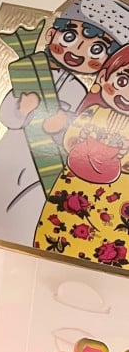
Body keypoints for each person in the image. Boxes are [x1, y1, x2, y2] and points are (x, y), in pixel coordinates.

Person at [0, 0, 129, 246]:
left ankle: (21, 240)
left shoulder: (79, 92)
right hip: (11, 151)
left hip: (44, 164)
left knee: (31, 207)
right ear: (52, 34)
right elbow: (6, 114)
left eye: (96, 49)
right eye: (69, 37)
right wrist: (22, 108)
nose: (78, 51)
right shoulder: (31, 71)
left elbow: (75, 136)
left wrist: (61, 127)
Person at [33, 43, 129, 268]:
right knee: (60, 224)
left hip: (117, 194)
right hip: (76, 184)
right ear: (103, 77)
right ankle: (48, 251)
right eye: (123, 81)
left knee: (112, 233)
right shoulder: (94, 111)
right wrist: (83, 140)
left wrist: (122, 156)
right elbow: (70, 138)